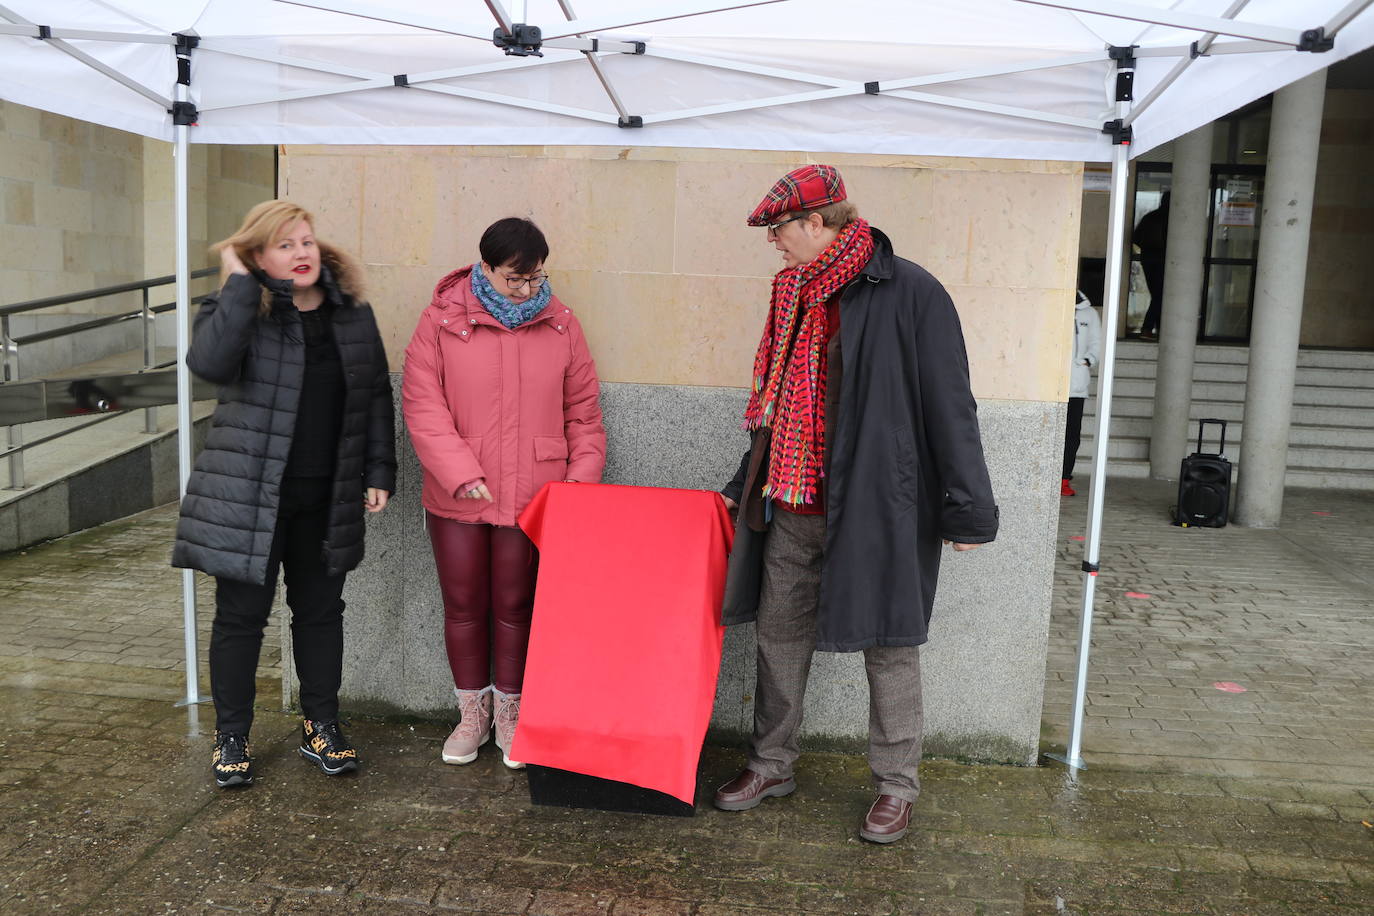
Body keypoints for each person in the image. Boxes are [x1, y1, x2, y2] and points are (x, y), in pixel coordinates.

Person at [714, 165, 998, 844]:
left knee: (890, 644)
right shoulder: (789, 292)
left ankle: (897, 787)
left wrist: (969, 509)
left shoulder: (912, 292)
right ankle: (771, 764)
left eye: (779, 230)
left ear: (817, 223)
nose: (773, 244)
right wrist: (740, 481)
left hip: (880, 504)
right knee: (780, 636)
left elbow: (950, 404)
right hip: (793, 497)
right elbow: (774, 404)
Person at [172, 200, 396, 788]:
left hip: (327, 494)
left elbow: (373, 395)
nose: (301, 253)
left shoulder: (351, 314)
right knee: (241, 618)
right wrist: (240, 284)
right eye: (284, 244)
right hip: (249, 494)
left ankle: (321, 724)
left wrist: (378, 469)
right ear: (257, 255)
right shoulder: (239, 310)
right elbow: (211, 364)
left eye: (306, 240)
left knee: (320, 613)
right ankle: (232, 737)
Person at [402, 217, 605, 770]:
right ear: (486, 268)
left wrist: (579, 486)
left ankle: (512, 712)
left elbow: (583, 414)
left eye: (535, 277)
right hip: (460, 493)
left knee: (518, 606)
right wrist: (458, 470)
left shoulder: (561, 325)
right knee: (465, 606)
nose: (527, 289)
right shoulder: (440, 321)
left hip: (536, 494)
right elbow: (423, 404)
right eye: (515, 278)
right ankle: (473, 714)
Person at [1062, 289, 1102, 497]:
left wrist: (1088, 360)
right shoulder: (1056, 302)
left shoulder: (1089, 313)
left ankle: (1064, 479)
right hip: (1052, 382)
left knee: (1072, 436)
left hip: (1076, 386)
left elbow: (1097, 342)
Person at [1133, 192, 1169, 340]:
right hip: (1163, 261)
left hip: (1148, 260)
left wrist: (1148, 250)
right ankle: (1147, 328)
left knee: (1157, 295)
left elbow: (1136, 237)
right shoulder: (1172, 218)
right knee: (1160, 296)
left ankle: (1156, 328)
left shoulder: (1149, 217)